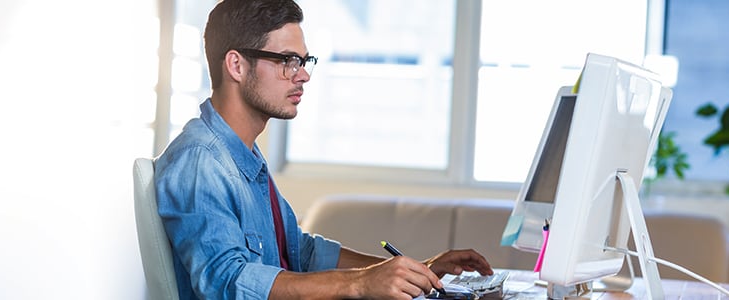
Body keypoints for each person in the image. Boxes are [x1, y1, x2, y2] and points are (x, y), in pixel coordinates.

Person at [154, 0, 493, 298]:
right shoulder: (201, 161)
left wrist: (413, 271)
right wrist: (359, 285)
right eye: (287, 60)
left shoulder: (244, 157)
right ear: (236, 66)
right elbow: (227, 283)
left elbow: (300, 251)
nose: (303, 75)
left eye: (304, 61)